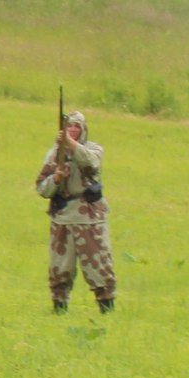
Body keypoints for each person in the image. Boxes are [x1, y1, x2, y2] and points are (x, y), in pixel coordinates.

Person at [36, 110, 114, 313]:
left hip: (89, 218)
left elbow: (90, 162)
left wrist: (70, 144)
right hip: (62, 217)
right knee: (60, 268)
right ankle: (59, 308)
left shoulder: (93, 149)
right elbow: (42, 188)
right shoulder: (54, 154)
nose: (73, 129)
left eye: (77, 127)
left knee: (98, 267)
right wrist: (56, 178)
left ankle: (106, 307)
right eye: (69, 126)